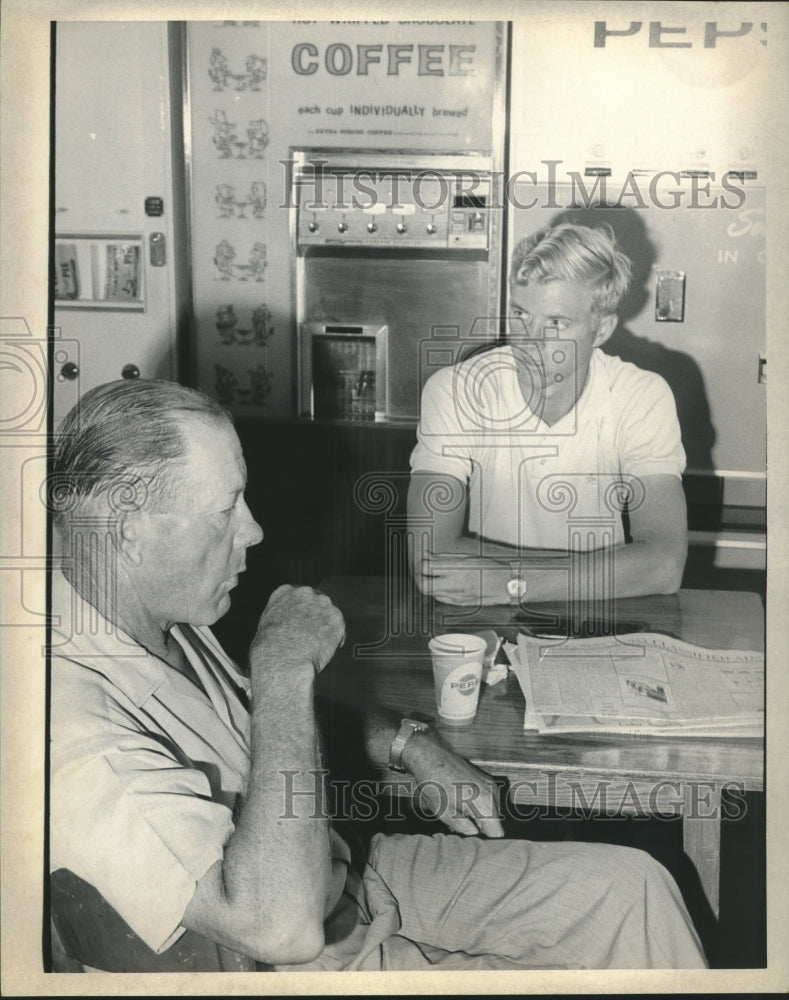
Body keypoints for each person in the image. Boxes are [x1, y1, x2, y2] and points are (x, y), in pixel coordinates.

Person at [48, 378, 706, 971]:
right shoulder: (70, 732)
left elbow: (261, 727)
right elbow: (277, 928)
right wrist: (284, 667)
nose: (252, 530)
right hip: (296, 941)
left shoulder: (150, 604)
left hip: (344, 868)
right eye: (224, 511)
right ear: (127, 529)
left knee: (637, 889)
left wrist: (409, 744)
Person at [408, 223, 688, 606]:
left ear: (601, 329)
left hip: (599, 618)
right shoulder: (457, 390)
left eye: (556, 323)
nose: (530, 340)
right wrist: (605, 572)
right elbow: (430, 559)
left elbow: (666, 564)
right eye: (521, 314)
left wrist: (511, 581)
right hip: (486, 618)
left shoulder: (641, 396)